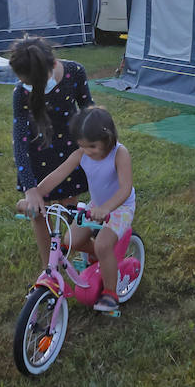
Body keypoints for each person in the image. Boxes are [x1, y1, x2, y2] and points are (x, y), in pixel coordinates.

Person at [33, 106, 136, 313]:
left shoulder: (119, 153)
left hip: (120, 206)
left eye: (92, 146)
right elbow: (58, 174)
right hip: (96, 206)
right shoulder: (82, 154)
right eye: (83, 146)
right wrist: (36, 193)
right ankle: (102, 258)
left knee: (103, 245)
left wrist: (107, 208)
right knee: (71, 241)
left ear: (108, 138)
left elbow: (125, 189)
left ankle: (110, 293)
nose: (87, 151)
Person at [10, 35, 93, 269]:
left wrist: (98, 148)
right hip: (39, 159)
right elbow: (20, 141)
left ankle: (81, 251)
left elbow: (89, 113)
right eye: (24, 82)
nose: (29, 88)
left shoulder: (75, 72)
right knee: (39, 213)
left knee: (68, 209)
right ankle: (49, 269)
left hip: (69, 154)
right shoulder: (20, 93)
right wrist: (30, 188)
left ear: (54, 64)